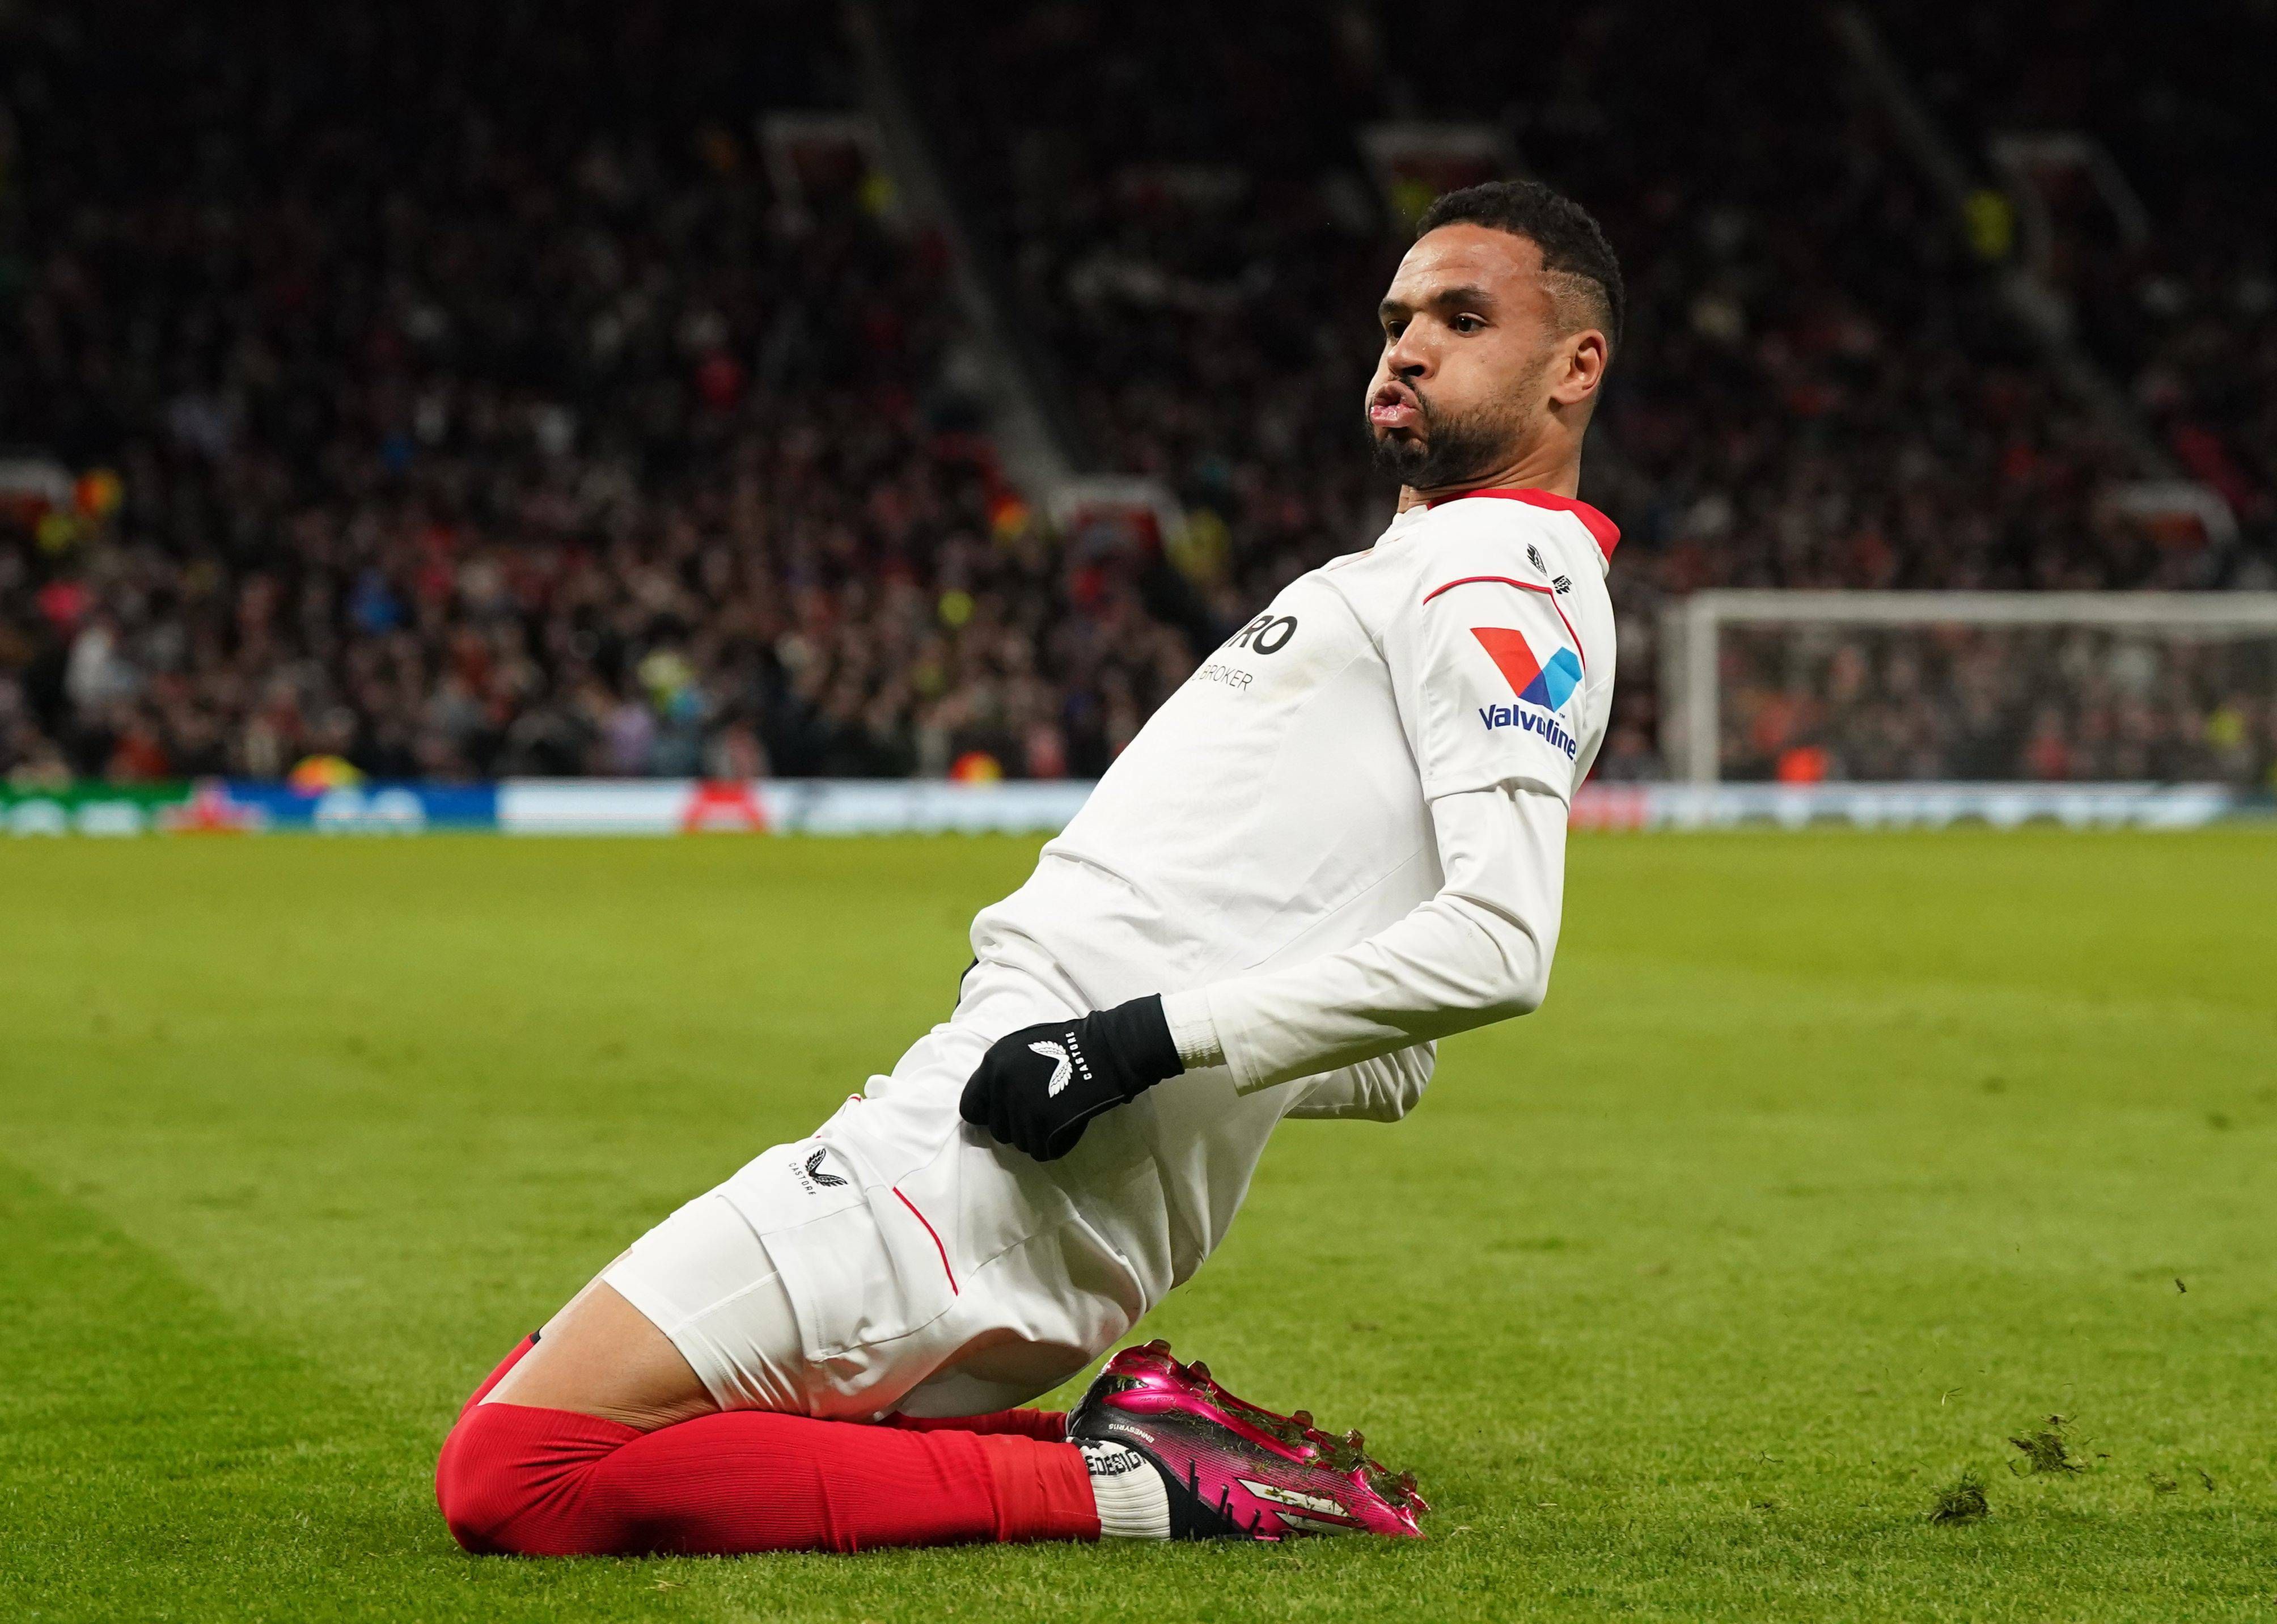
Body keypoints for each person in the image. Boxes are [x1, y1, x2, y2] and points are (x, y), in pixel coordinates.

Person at [435, 178, 1626, 1553]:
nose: (1407, 345)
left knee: (518, 1469)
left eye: (1463, 319)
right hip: (1010, 1118)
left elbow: (1494, 947)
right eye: (1398, 315)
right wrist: (1179, 1073)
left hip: (1005, 1163)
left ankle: (1136, 1489)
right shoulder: (1436, 569)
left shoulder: (1492, 579)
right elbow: (1391, 1054)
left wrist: (1127, 1046)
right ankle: (1157, 1448)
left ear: (1573, 366)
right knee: (525, 1404)